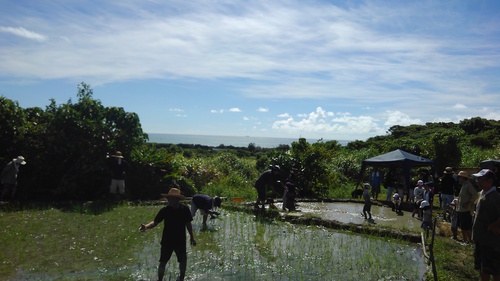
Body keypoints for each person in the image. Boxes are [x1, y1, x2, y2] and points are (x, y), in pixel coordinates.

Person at [140, 188, 196, 281]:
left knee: (182, 261)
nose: (170, 201)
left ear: (177, 200)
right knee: (163, 261)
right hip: (167, 240)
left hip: (180, 240)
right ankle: (160, 279)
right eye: (169, 198)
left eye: (172, 199)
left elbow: (188, 224)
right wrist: (146, 226)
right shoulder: (165, 210)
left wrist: (192, 237)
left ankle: (181, 278)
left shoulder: (184, 209)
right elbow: (155, 222)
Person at [471, 169, 500, 281]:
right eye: (478, 179)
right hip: (481, 239)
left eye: (481, 180)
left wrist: (494, 225)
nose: (478, 182)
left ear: (490, 181)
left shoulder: (495, 197)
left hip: (492, 241)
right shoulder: (482, 194)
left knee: (495, 270)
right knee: (483, 268)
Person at [456, 171, 479, 244]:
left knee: (466, 227)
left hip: (466, 210)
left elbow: (475, 195)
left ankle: (468, 241)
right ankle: (466, 240)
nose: (459, 179)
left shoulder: (468, 185)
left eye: (460, 177)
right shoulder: (464, 185)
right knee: (463, 227)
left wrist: (468, 203)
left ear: (463, 178)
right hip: (461, 209)